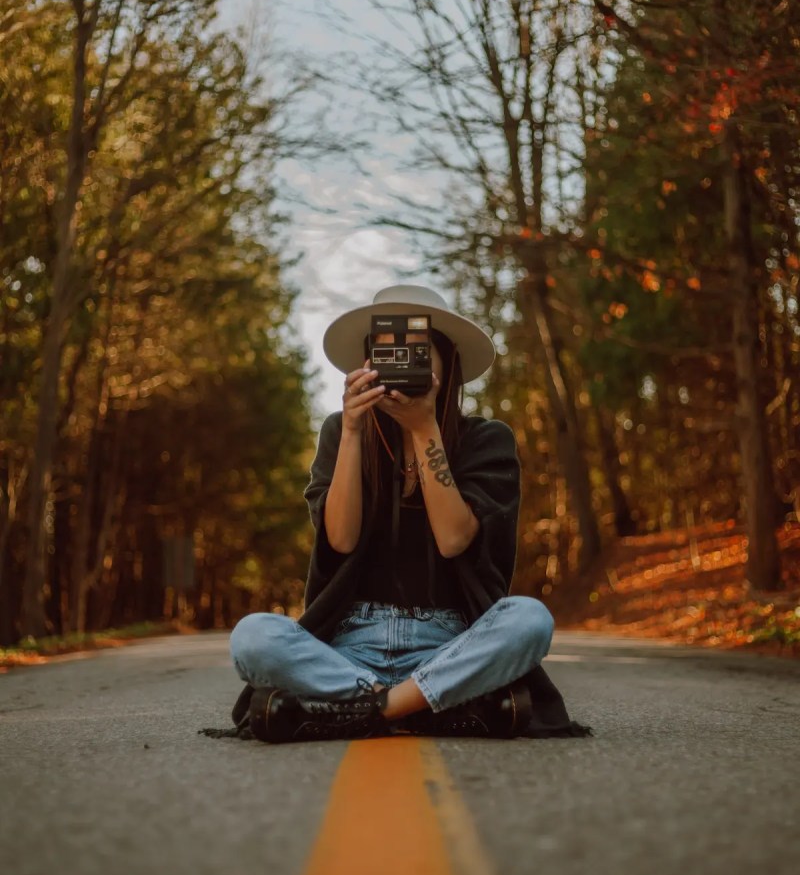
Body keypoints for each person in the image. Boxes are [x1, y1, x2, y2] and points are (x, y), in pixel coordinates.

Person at [224, 285, 592, 743]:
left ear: (447, 362)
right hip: (348, 645)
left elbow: (454, 539)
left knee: (530, 619)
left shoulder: (486, 439)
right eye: (387, 354)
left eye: (416, 353)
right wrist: (355, 431)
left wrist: (425, 429)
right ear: (365, 366)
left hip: (450, 646)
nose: (401, 362)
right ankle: (427, 707)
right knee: (253, 637)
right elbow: (339, 539)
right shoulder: (341, 431)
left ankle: (359, 710)